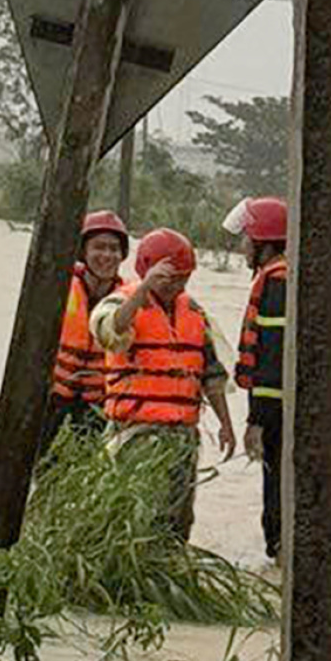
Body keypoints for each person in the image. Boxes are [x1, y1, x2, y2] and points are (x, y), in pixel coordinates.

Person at [90, 226, 238, 541]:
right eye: (168, 279)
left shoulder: (194, 313)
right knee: (133, 516)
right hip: (134, 435)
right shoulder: (120, 303)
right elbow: (111, 333)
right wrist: (145, 287)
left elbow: (212, 375)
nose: (176, 286)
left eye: (183, 278)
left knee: (177, 519)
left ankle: (169, 561)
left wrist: (226, 425)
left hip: (182, 436)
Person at [226, 195, 291, 560]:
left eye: (247, 239)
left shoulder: (277, 284)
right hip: (279, 404)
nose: (242, 246)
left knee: (277, 480)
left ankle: (280, 550)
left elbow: (273, 359)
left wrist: (257, 420)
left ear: (264, 243)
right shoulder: (282, 276)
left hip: (275, 408)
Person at [46, 209, 129, 453]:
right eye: (99, 247)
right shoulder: (59, 287)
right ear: (83, 252)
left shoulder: (129, 300)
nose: (107, 255)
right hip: (53, 400)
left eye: (114, 249)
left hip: (98, 407)